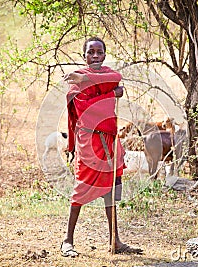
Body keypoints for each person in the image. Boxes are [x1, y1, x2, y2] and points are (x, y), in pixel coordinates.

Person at [60, 37, 143, 257]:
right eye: (91, 53)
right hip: (90, 142)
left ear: (105, 55)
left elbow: (117, 77)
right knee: (82, 187)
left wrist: (88, 80)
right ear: (84, 56)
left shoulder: (103, 75)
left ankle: (115, 241)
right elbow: (90, 109)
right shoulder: (75, 86)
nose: (95, 56)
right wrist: (111, 93)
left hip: (110, 141)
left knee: (112, 189)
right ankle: (67, 241)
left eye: (99, 52)